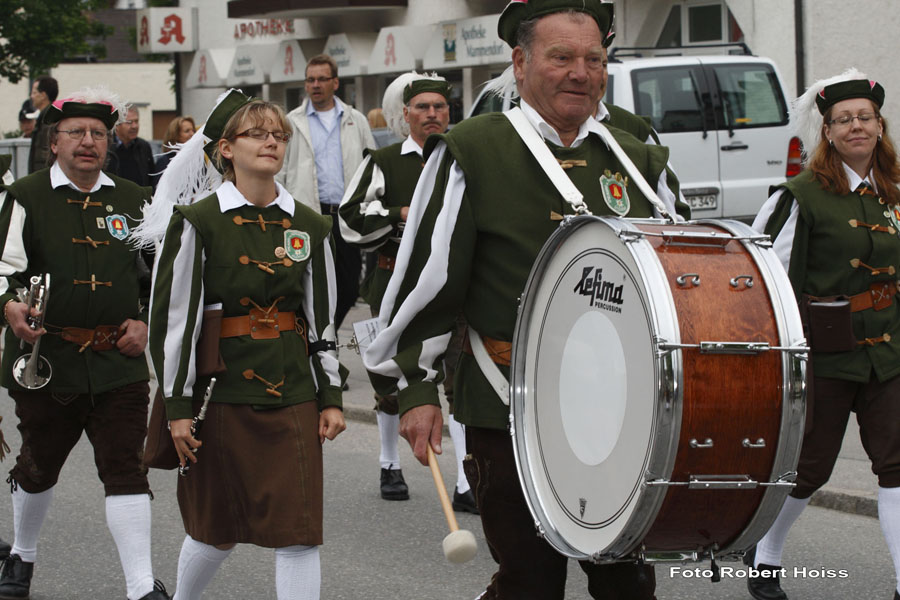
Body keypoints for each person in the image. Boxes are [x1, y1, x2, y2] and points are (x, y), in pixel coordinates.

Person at [362, 1, 687, 598]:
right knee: (530, 583)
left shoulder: (633, 155)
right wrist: (414, 389)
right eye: (561, 57)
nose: (580, 73)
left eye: (594, 58)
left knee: (628, 584)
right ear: (520, 62)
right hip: (509, 404)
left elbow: (681, 266)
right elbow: (427, 282)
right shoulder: (472, 150)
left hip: (619, 411)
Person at [145, 90, 346, 600]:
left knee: (299, 537)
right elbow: (175, 323)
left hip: (293, 393)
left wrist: (332, 396)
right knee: (214, 531)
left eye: (279, 135)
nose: (271, 142)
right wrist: (177, 406)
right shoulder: (197, 221)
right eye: (257, 134)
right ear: (226, 149)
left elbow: (322, 321)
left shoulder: (310, 224)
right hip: (221, 395)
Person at [0, 87, 168, 600]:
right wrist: (9, 305)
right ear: (54, 142)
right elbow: (3, 270)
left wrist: (144, 322)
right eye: (76, 133)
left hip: (118, 361)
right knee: (38, 464)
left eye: (98, 133)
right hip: (45, 360)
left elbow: (160, 279)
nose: (88, 142)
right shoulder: (26, 195)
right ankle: (23, 556)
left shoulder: (134, 198)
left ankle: (141, 587)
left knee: (125, 468)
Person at [748, 70, 900, 600]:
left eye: (865, 117)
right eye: (843, 120)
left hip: (889, 353)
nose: (856, 126)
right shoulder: (799, 197)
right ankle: (765, 556)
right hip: (823, 355)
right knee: (808, 468)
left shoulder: (895, 193)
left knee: (897, 464)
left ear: (880, 126)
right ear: (828, 132)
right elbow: (763, 278)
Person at [339, 72, 476, 512]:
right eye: (423, 107)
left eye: (439, 107)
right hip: (393, 285)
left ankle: (465, 481)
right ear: (407, 114)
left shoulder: (463, 159)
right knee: (391, 380)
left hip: (453, 289)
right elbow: (350, 216)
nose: (432, 114)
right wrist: (401, 213)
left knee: (459, 380)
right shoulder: (383, 160)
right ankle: (388, 463)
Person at [278, 54, 375, 329]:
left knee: (349, 285)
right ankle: (315, 340)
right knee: (305, 282)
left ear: (335, 82)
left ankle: (323, 333)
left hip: (345, 217)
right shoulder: (290, 122)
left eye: (322, 79)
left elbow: (371, 166)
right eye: (310, 80)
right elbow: (280, 170)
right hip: (307, 215)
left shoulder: (355, 119)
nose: (315, 85)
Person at [109, 105, 155, 188]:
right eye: (129, 122)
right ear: (117, 125)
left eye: (136, 121)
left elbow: (151, 178)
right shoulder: (107, 148)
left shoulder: (144, 147)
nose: (134, 126)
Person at [151, 115, 196, 189]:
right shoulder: (164, 162)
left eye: (193, 130)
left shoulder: (196, 160)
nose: (192, 134)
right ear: (175, 135)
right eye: (187, 131)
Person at [27, 76, 58, 173]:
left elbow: (46, 154)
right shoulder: (45, 116)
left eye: (34, 92)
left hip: (44, 178)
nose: (31, 96)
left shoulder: (49, 120)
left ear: (43, 95)